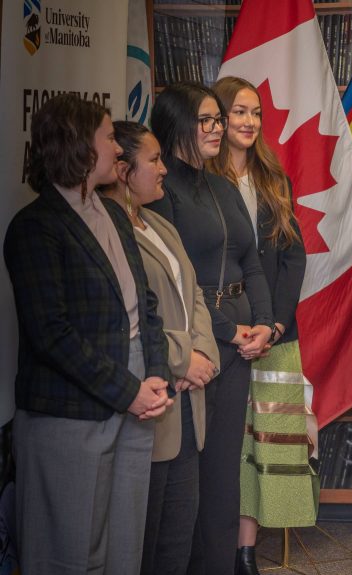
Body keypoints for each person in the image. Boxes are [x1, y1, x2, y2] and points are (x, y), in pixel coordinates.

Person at [4, 94, 172, 574]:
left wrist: (156, 374)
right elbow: (50, 334)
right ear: (78, 146)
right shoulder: (34, 228)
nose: (117, 150)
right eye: (106, 137)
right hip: (72, 415)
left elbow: (146, 304)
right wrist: (129, 391)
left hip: (140, 398)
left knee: (123, 551)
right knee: (73, 555)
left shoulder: (115, 214)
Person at [148, 81, 275, 575]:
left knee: (224, 480)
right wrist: (229, 332)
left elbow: (252, 262)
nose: (218, 128)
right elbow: (179, 281)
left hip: (242, 345)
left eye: (218, 120)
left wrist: (264, 324)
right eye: (207, 120)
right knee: (189, 485)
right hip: (200, 347)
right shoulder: (161, 192)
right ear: (177, 124)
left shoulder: (222, 186)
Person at [100, 121, 221, 575]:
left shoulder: (159, 225)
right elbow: (131, 318)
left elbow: (195, 296)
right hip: (153, 397)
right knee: (144, 542)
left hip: (189, 400)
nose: (164, 168)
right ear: (124, 171)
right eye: (153, 160)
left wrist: (204, 355)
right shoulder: (110, 232)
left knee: (178, 535)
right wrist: (180, 358)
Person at [210, 76, 317, 575]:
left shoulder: (275, 178)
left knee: (265, 446)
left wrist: (273, 325)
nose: (250, 121)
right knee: (228, 445)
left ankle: (247, 552)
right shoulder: (200, 182)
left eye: (255, 113)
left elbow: (293, 260)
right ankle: (218, 545)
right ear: (215, 119)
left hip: (273, 335)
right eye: (239, 112)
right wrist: (241, 328)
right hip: (224, 336)